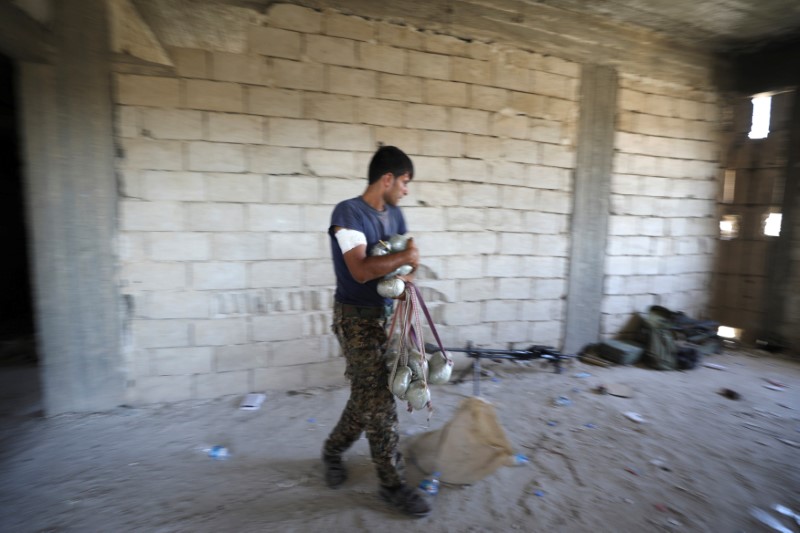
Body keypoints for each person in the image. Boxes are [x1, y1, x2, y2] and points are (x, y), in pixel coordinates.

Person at [321, 146, 430, 518]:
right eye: (404, 181)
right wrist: (407, 259)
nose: (405, 190)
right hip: (355, 319)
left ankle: (332, 451)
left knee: (365, 398)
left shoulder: (395, 215)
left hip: (385, 317)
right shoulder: (347, 213)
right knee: (381, 403)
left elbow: (405, 266)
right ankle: (392, 484)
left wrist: (407, 275)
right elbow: (363, 271)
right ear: (387, 179)